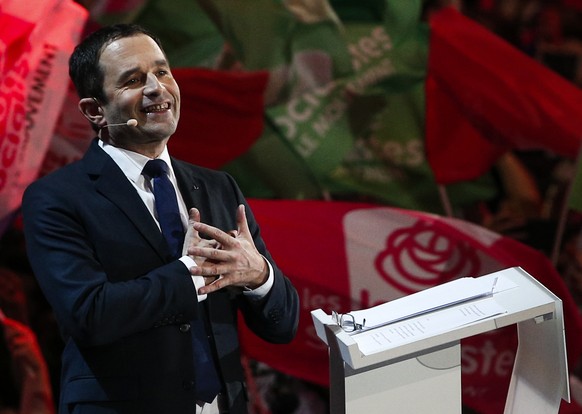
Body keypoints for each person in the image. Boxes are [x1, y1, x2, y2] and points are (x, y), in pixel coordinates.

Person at [21, 23, 300, 414]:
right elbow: (90, 314)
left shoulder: (219, 188)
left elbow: (282, 325)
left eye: (162, 71)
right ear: (94, 110)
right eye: (134, 80)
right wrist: (189, 272)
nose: (157, 88)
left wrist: (260, 277)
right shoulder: (56, 199)